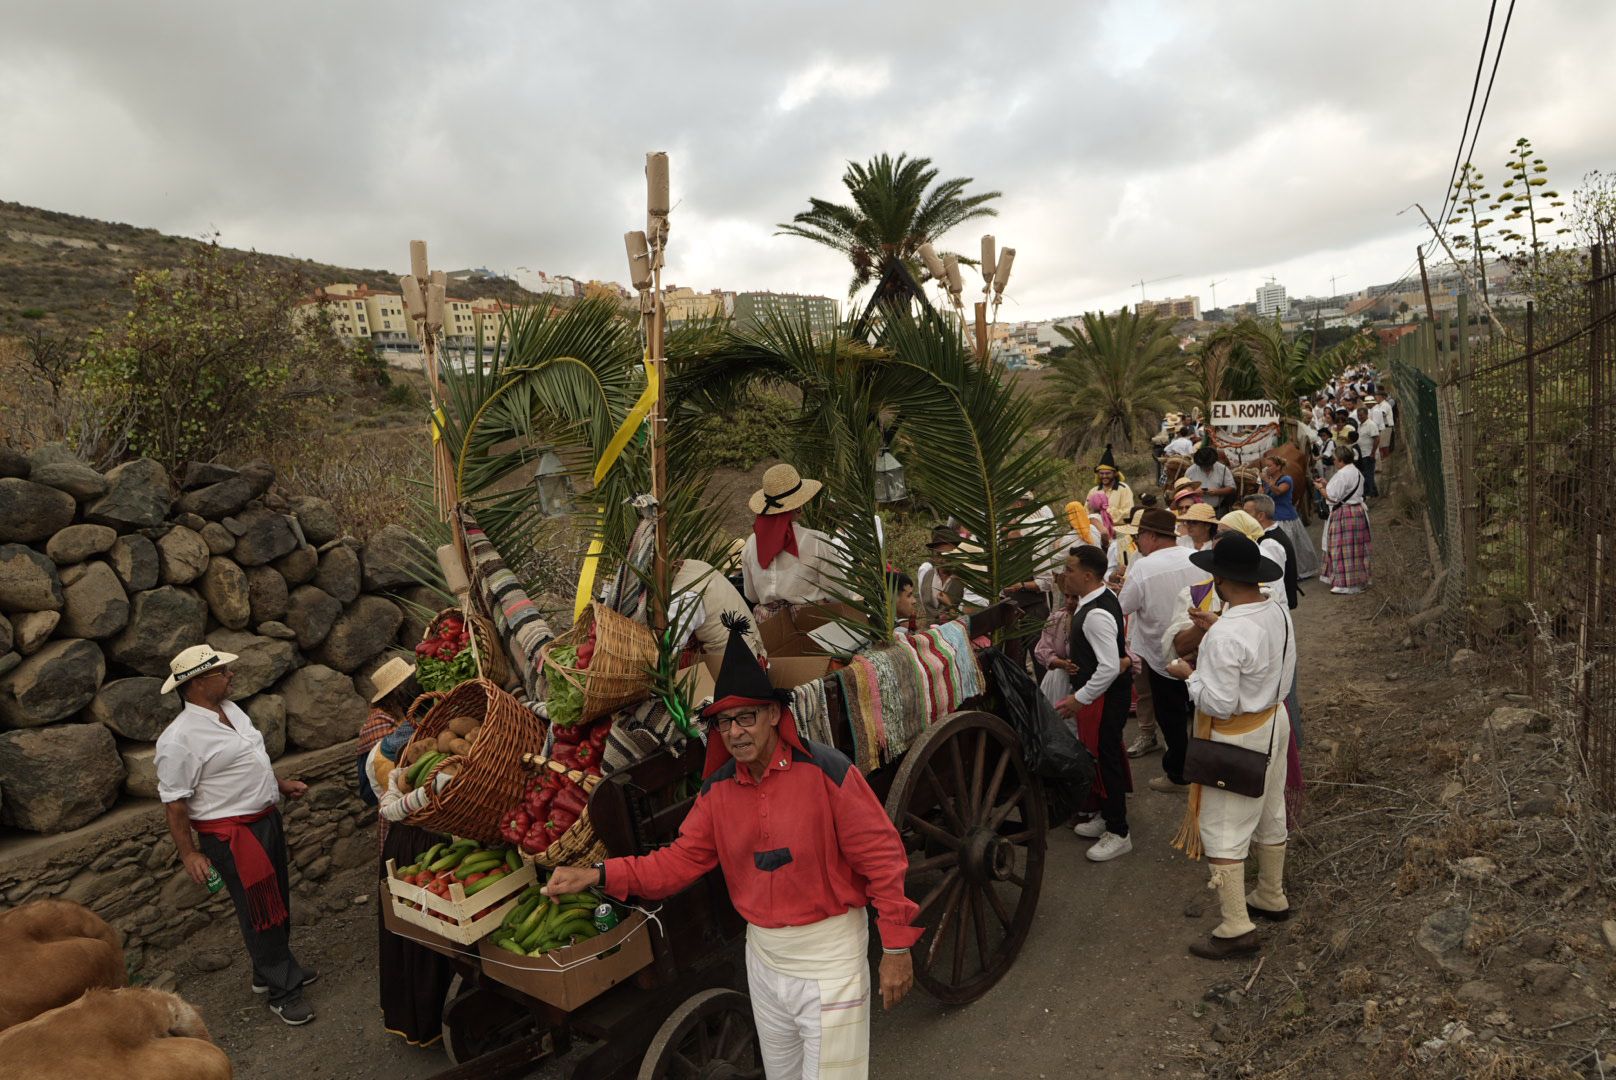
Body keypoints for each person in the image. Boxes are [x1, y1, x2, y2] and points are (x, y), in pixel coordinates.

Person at [544, 616, 919, 1078]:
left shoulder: (827, 772)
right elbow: (678, 862)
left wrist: (897, 949)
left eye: (747, 716)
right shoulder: (718, 791)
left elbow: (882, 857)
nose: (737, 731)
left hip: (830, 959)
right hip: (763, 960)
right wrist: (598, 874)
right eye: (725, 722)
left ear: (774, 715)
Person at [154, 645, 316, 1026]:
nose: (231, 675)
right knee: (259, 910)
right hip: (232, 835)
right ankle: (283, 991)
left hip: (264, 820)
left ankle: (271, 970)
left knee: (277, 899)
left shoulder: (231, 711)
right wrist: (189, 853)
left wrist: (279, 784)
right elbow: (175, 803)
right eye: (222, 672)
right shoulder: (179, 739)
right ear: (196, 683)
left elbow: (246, 762)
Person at [1164, 534, 1295, 960]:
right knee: (1272, 808)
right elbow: (1254, 651)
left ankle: (1236, 926)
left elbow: (1218, 701)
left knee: (1223, 827)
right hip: (1275, 719)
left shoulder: (1227, 634)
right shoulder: (1275, 607)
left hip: (1237, 734)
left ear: (1219, 580)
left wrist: (1188, 673)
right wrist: (1217, 630)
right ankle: (1271, 894)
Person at [357, 657, 456, 1046]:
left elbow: (370, 793)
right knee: (432, 923)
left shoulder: (380, 734)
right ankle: (434, 1014)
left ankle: (416, 1017)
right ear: (408, 693)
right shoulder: (404, 737)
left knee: (408, 925)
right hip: (423, 835)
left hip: (400, 834)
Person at [1118, 509, 1207, 795]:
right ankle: (1205, 766)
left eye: (1139, 536)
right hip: (1196, 644)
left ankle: (1179, 775)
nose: (1138, 542)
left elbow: (1123, 606)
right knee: (1200, 708)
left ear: (1151, 536)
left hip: (1162, 652)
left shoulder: (1143, 567)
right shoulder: (1194, 555)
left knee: (1171, 715)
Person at [1053, 546, 1134, 862]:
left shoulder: (1096, 612)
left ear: (1087, 575)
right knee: (1099, 756)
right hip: (1100, 696)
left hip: (1104, 697)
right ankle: (1105, 813)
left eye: (1070, 569)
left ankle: (1119, 830)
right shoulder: (1099, 599)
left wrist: (1079, 698)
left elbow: (1110, 666)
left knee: (1108, 756)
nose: (1065, 575)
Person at [741, 463, 842, 622]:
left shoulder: (751, 543)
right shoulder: (818, 542)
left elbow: (751, 596)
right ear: (799, 506)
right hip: (811, 625)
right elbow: (838, 594)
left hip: (769, 628)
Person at [1317, 446, 1371, 595]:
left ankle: (1345, 584)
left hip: (1345, 514)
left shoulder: (1341, 474)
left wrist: (1321, 488)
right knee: (1357, 548)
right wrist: (1328, 485)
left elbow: (1333, 497)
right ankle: (1358, 581)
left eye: (1335, 458)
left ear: (1340, 460)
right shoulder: (1356, 471)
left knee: (1341, 548)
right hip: (1357, 512)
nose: (1333, 460)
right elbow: (1343, 492)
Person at [1259, 454, 1319, 581]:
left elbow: (1279, 491)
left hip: (1286, 517)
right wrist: (1261, 485)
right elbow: (1262, 495)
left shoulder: (1286, 479)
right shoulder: (1267, 480)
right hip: (1272, 518)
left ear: (1278, 466)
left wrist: (1267, 481)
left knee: (1290, 546)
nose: (1267, 468)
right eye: (1266, 466)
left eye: (1270, 466)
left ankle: (1297, 572)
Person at [1242, 495, 1299, 611]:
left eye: (1246, 513)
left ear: (1261, 516)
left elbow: (1273, 582)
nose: (1242, 518)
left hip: (1275, 606)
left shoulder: (1269, 543)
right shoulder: (1267, 536)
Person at [916, 525, 967, 626]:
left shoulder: (965, 577)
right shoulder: (927, 576)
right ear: (932, 554)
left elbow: (969, 617)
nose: (943, 559)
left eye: (948, 555)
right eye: (939, 554)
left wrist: (950, 606)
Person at [1088, 444, 1135, 521]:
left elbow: (1128, 512)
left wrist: (1106, 512)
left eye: (1107, 473)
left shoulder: (1123, 489)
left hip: (1118, 528)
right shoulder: (1093, 491)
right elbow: (1087, 510)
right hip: (1097, 529)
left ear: (1115, 473)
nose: (1104, 476)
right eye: (1101, 473)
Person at [1184, 445, 1236, 512]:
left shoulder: (1223, 469)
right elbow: (1183, 489)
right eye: (1203, 466)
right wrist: (1193, 492)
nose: (1205, 468)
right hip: (1195, 510)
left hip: (1218, 509)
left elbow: (1232, 488)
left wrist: (1217, 492)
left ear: (1213, 462)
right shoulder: (1190, 471)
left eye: (1208, 465)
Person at [1354, 405, 1381, 498]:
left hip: (1368, 454)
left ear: (1366, 414)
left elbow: (1377, 438)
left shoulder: (1371, 424)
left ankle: (1371, 493)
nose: (1360, 417)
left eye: (1361, 415)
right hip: (1362, 454)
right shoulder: (1360, 425)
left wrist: (1373, 452)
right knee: (1366, 474)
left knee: (1368, 475)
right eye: (1358, 415)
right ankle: (1371, 492)